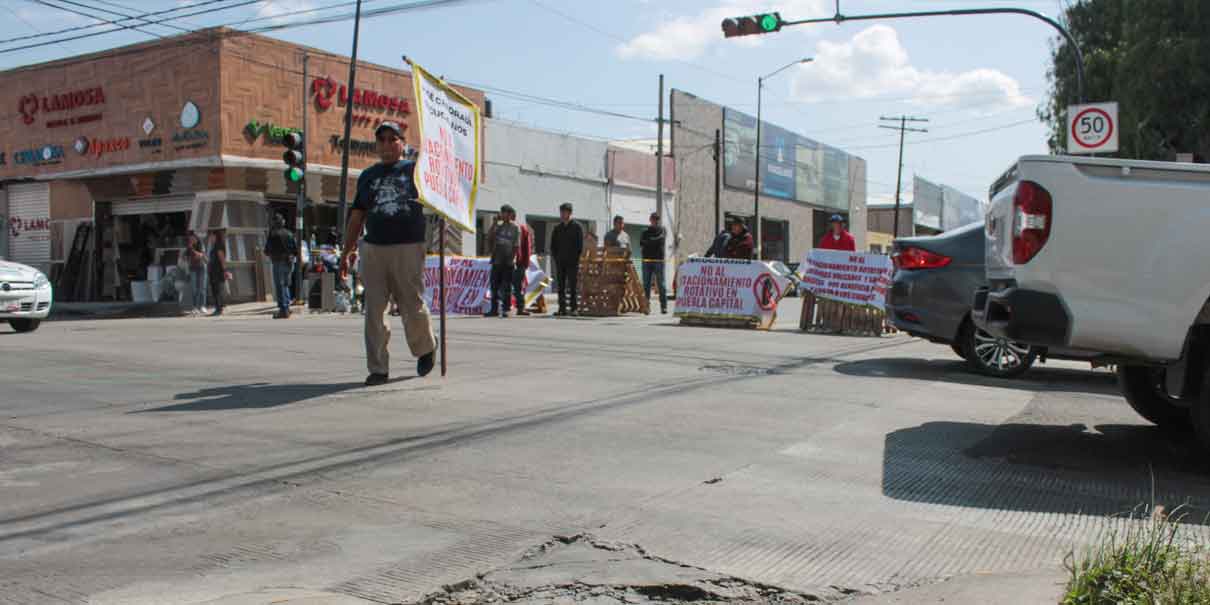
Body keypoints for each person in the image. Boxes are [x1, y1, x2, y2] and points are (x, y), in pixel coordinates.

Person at [339, 121, 437, 386]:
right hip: (374, 249)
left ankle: (425, 347)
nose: (386, 145)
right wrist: (347, 251)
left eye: (392, 139)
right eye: (381, 140)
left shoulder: (415, 170)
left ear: (402, 143)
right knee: (374, 309)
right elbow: (357, 214)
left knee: (411, 305)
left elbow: (440, 190)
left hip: (408, 246)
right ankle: (378, 368)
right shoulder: (368, 176)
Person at [485, 204, 520, 318]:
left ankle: (506, 309)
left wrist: (512, 259)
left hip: (508, 260)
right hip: (497, 260)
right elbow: (489, 237)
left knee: (506, 287)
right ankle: (494, 309)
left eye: (506, 212)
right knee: (494, 286)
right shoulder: (498, 226)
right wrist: (494, 223)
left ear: (510, 215)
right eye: (502, 212)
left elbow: (516, 245)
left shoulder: (515, 228)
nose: (503, 215)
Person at [550, 202, 583, 316]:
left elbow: (580, 245)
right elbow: (553, 245)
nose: (563, 214)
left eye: (565, 212)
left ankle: (574, 308)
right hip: (560, 261)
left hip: (572, 261)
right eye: (561, 212)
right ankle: (562, 308)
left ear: (570, 213)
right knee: (561, 285)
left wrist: (576, 258)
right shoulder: (557, 228)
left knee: (573, 285)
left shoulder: (576, 227)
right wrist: (556, 258)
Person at [265, 213, 297, 319]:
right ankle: (287, 307)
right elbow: (295, 249)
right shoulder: (289, 233)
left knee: (280, 285)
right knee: (286, 284)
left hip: (278, 262)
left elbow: (267, 250)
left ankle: (283, 309)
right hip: (289, 261)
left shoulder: (273, 234)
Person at [639, 212, 668, 314]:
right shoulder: (645, 231)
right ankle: (646, 307)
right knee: (646, 285)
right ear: (650, 219)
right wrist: (653, 241)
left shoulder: (662, 230)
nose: (655, 221)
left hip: (658, 260)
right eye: (653, 219)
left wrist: (649, 242)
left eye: (657, 219)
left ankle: (664, 307)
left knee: (661, 285)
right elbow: (642, 243)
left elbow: (661, 241)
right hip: (647, 260)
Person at [509, 207, 534, 316]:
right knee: (505, 286)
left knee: (518, 287)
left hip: (519, 263)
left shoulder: (522, 229)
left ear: (513, 216)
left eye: (508, 215)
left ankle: (520, 307)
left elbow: (527, 247)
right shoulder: (502, 228)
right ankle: (506, 307)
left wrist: (525, 263)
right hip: (505, 262)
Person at [207, 229, 231, 316]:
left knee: (217, 290)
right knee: (215, 290)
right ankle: (218, 308)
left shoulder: (219, 245)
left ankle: (219, 309)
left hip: (217, 271)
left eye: (211, 236)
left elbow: (222, 259)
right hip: (213, 271)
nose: (210, 238)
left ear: (215, 236)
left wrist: (225, 270)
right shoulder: (214, 246)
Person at [185, 232, 208, 315]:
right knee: (194, 288)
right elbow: (186, 258)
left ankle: (202, 306)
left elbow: (200, 255)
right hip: (192, 268)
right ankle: (195, 307)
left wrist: (192, 250)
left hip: (202, 267)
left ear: (196, 238)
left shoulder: (200, 244)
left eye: (193, 238)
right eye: (190, 239)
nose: (191, 240)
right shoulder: (189, 247)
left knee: (202, 288)